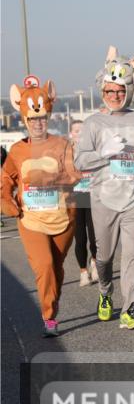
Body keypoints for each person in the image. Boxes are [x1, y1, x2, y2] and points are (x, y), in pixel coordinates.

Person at [74, 46, 134, 330]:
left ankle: (128, 310)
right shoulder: (93, 123)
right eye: (110, 91)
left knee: (132, 254)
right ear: (103, 91)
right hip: (104, 198)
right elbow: (80, 160)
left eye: (120, 90)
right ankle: (105, 291)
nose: (115, 95)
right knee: (105, 256)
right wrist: (103, 154)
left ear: (128, 91)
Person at [2, 78, 81, 336]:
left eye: (42, 118)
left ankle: (52, 304)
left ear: (48, 117)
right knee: (44, 265)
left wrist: (62, 177)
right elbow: (6, 178)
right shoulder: (17, 150)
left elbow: (74, 173)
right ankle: (49, 317)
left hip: (62, 216)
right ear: (25, 119)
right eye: (33, 119)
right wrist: (7, 201)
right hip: (30, 219)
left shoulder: (62, 144)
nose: (38, 123)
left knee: (56, 267)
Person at [69, 119, 100, 286]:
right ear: (71, 134)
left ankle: (94, 262)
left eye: (83, 131)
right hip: (74, 198)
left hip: (92, 196)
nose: (79, 134)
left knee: (95, 237)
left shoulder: (93, 151)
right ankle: (83, 271)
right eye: (76, 131)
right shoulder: (66, 153)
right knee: (80, 239)